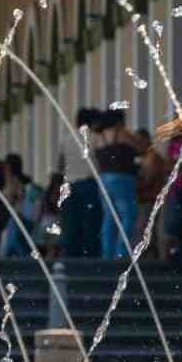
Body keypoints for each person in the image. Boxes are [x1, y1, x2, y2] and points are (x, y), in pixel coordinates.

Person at [94, 110, 140, 259]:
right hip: (122, 177)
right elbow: (141, 148)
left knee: (109, 216)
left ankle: (107, 253)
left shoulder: (99, 137)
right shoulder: (122, 133)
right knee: (128, 215)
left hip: (103, 179)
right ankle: (121, 252)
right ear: (119, 121)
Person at [58, 108, 103, 259]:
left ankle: (70, 258)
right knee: (90, 224)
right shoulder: (96, 138)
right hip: (89, 184)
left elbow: (60, 165)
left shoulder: (66, 139)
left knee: (70, 224)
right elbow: (103, 161)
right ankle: (89, 258)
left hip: (69, 185)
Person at [0, 153, 42, 258]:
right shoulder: (23, 184)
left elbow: (11, 202)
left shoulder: (21, 185)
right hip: (17, 223)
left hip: (22, 221)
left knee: (13, 235)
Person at [134, 128, 168, 249]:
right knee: (147, 230)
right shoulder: (145, 157)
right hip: (147, 198)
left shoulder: (152, 157)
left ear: (146, 141)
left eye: (138, 141)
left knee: (145, 229)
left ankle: (149, 258)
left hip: (149, 199)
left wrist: (133, 186)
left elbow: (148, 179)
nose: (136, 145)